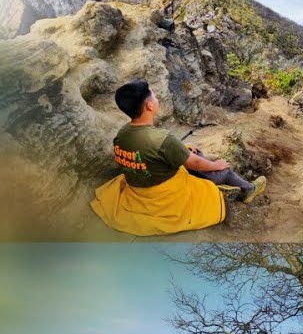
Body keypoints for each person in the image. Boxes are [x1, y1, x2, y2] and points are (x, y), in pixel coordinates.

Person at [90, 80, 266, 236]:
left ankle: (227, 183)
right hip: (165, 193)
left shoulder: (122, 134)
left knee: (193, 152)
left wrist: (182, 149)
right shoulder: (162, 138)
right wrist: (217, 165)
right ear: (149, 106)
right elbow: (194, 162)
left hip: (139, 186)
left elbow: (149, 153)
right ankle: (248, 190)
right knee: (221, 169)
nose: (157, 99)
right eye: (154, 96)